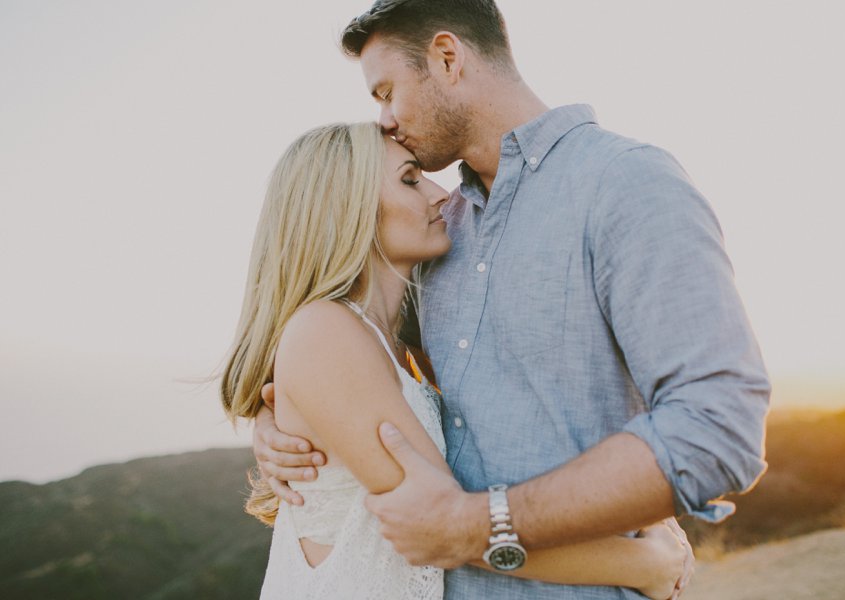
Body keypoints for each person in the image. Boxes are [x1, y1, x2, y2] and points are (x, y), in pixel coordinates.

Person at [254, 0, 771, 597]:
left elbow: (717, 427)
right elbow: (348, 357)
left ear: (447, 58)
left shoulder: (624, 183)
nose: (386, 120)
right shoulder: (444, 232)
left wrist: (479, 526)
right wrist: (279, 425)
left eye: (386, 92)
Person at [222, 122, 691, 599]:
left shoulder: (398, 342)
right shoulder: (325, 331)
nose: (441, 193)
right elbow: (448, 525)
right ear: (345, 208)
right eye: (409, 179)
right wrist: (641, 564)